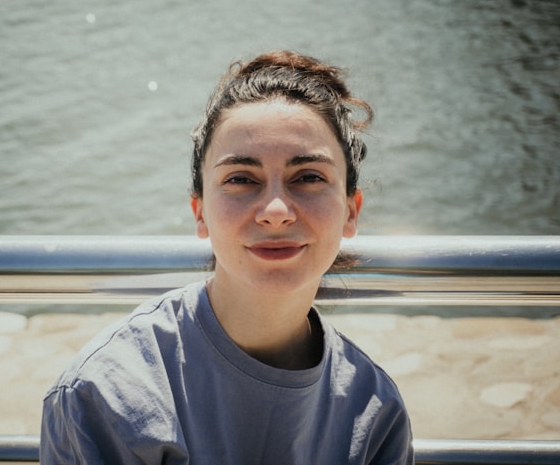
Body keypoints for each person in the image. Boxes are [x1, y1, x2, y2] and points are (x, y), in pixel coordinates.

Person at [41, 50, 414, 464]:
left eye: (308, 177)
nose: (276, 211)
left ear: (351, 211)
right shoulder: (108, 395)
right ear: (200, 212)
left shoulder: (375, 411)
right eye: (241, 179)